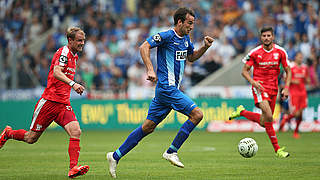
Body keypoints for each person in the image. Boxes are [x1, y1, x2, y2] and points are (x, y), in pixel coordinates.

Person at [106, 7, 214, 178]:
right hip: (167, 88)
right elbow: (144, 47)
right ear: (179, 22)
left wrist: (205, 47)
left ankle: (115, 156)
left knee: (148, 127)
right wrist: (150, 69)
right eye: (189, 23)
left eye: (193, 23)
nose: (192, 27)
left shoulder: (186, 39)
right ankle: (172, 151)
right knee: (197, 114)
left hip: (168, 91)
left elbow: (191, 57)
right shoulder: (166, 36)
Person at [0, 27, 89, 178]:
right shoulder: (64, 53)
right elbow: (57, 72)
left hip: (63, 104)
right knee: (31, 138)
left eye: (83, 41)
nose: (82, 43)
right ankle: (8, 133)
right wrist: (73, 84)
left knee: (76, 131)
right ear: (70, 40)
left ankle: (73, 168)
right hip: (49, 102)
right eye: (79, 41)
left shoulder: (74, 56)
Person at [229, 27, 291, 158]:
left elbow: (288, 70)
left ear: (272, 37)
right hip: (259, 88)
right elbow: (244, 71)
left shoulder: (280, 51)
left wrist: (286, 88)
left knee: (265, 122)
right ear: (261, 38)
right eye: (264, 36)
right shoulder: (255, 52)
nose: (266, 38)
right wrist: (253, 82)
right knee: (268, 116)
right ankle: (278, 150)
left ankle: (242, 112)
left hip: (274, 89)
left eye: (269, 35)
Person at [279, 52, 310, 138]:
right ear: (295, 57)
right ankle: (285, 119)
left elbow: (307, 80)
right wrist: (293, 81)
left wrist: (307, 80)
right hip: (294, 93)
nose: (300, 58)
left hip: (303, 92)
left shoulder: (305, 67)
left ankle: (296, 131)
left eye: (301, 57)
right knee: (296, 113)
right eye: (299, 57)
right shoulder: (291, 66)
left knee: (300, 113)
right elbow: (285, 78)